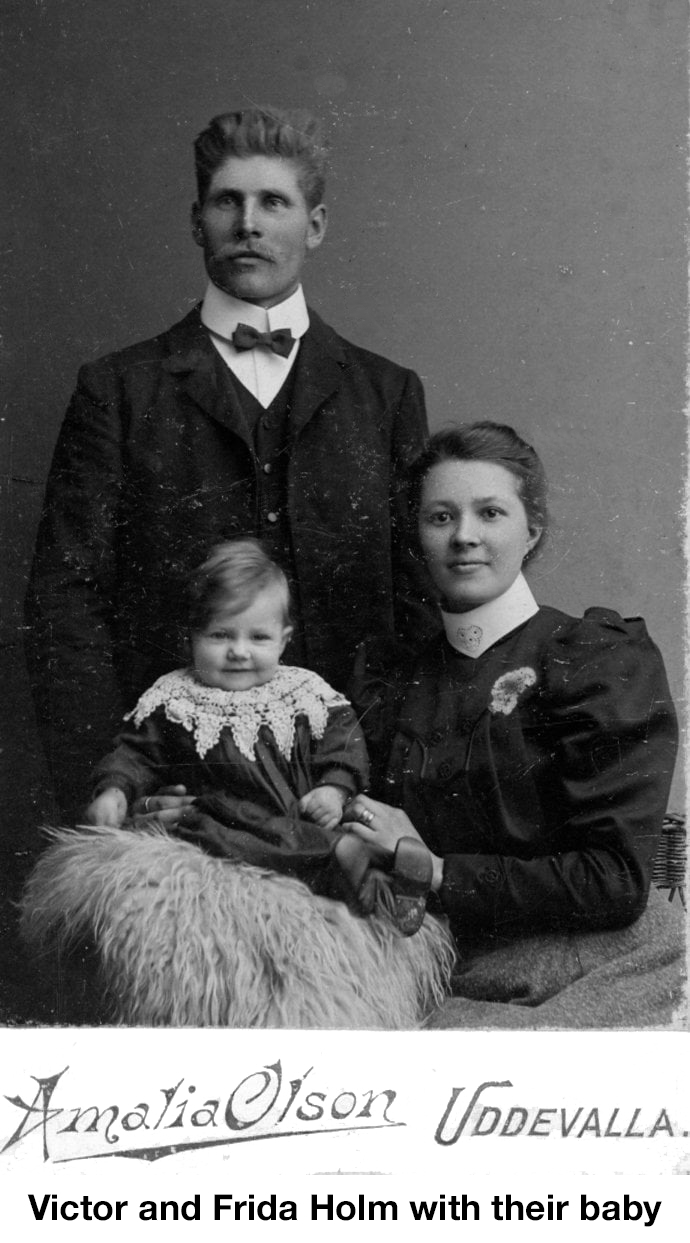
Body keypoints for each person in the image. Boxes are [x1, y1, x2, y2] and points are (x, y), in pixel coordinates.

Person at [24, 106, 437, 822]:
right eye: (227, 201)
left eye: (273, 202)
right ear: (196, 221)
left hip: (345, 794)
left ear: (315, 226)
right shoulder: (119, 389)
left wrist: (377, 779)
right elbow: (66, 602)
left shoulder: (387, 392)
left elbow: (416, 604)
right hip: (171, 796)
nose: (249, 223)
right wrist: (111, 786)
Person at [343, 422, 682, 1026]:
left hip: (590, 959)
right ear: (418, 538)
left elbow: (615, 880)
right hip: (428, 963)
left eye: (490, 513)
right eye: (441, 517)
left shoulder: (594, 660)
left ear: (532, 532)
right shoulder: (392, 681)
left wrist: (439, 871)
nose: (464, 537)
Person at [84, 538, 431, 932]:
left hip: (299, 818)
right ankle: (354, 866)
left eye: (258, 638)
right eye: (220, 635)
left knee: (336, 844)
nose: (239, 651)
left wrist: (334, 788)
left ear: (284, 640)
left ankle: (391, 892)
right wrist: (115, 789)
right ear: (192, 637)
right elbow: (134, 753)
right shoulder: (176, 697)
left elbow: (344, 740)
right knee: (207, 823)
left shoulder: (304, 690)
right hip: (224, 833)